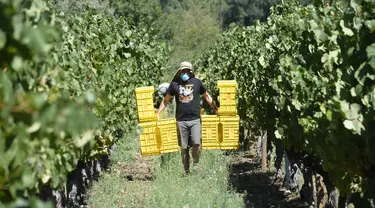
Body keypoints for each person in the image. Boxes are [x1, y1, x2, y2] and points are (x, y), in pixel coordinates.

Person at [157, 61, 217, 174]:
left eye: (187, 71)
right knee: (184, 148)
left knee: (197, 143)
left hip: (195, 120)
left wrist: (215, 107)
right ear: (179, 72)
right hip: (181, 121)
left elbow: (206, 96)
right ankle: (186, 171)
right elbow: (166, 100)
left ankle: (196, 163)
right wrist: (158, 113)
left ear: (190, 72)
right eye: (183, 71)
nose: (185, 73)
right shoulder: (174, 84)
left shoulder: (197, 82)